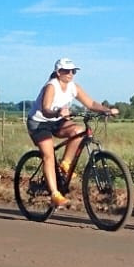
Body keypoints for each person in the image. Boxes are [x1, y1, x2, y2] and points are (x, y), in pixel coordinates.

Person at [26, 57, 119, 207]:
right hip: (39, 122)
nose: (70, 74)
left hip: (57, 121)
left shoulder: (73, 87)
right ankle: (55, 195)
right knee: (48, 155)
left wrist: (106, 110)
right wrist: (58, 113)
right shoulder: (51, 86)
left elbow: (90, 103)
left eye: (73, 71)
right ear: (58, 72)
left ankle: (65, 164)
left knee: (78, 130)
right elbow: (46, 109)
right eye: (66, 71)